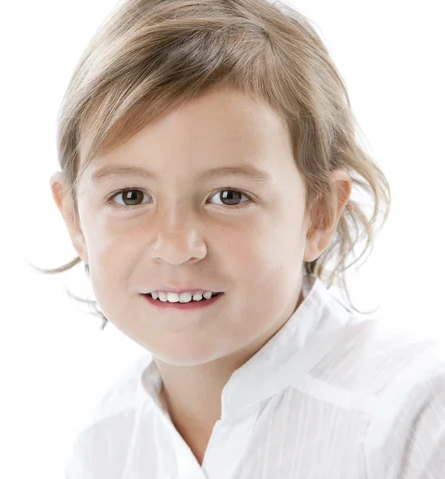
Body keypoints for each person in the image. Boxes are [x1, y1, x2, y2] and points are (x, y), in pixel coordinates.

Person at [41, 0, 445, 477]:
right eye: (130, 196)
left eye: (229, 196)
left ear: (318, 214)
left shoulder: (415, 415)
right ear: (74, 219)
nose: (176, 245)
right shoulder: (102, 447)